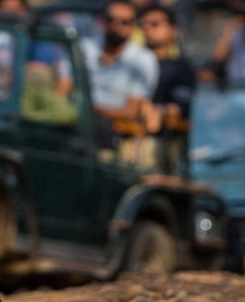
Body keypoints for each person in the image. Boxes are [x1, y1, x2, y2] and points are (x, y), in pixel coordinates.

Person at [82, 0, 160, 167]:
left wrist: (88, 108)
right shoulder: (84, 47)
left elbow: (131, 112)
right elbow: (63, 89)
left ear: (133, 27)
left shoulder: (142, 60)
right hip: (76, 128)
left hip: (113, 137)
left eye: (124, 22)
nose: (116, 26)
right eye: (110, 20)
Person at [140, 4, 195, 174]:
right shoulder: (133, 62)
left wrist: (160, 112)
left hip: (161, 142)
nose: (148, 29)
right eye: (144, 25)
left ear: (173, 30)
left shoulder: (181, 67)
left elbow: (180, 107)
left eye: (155, 24)